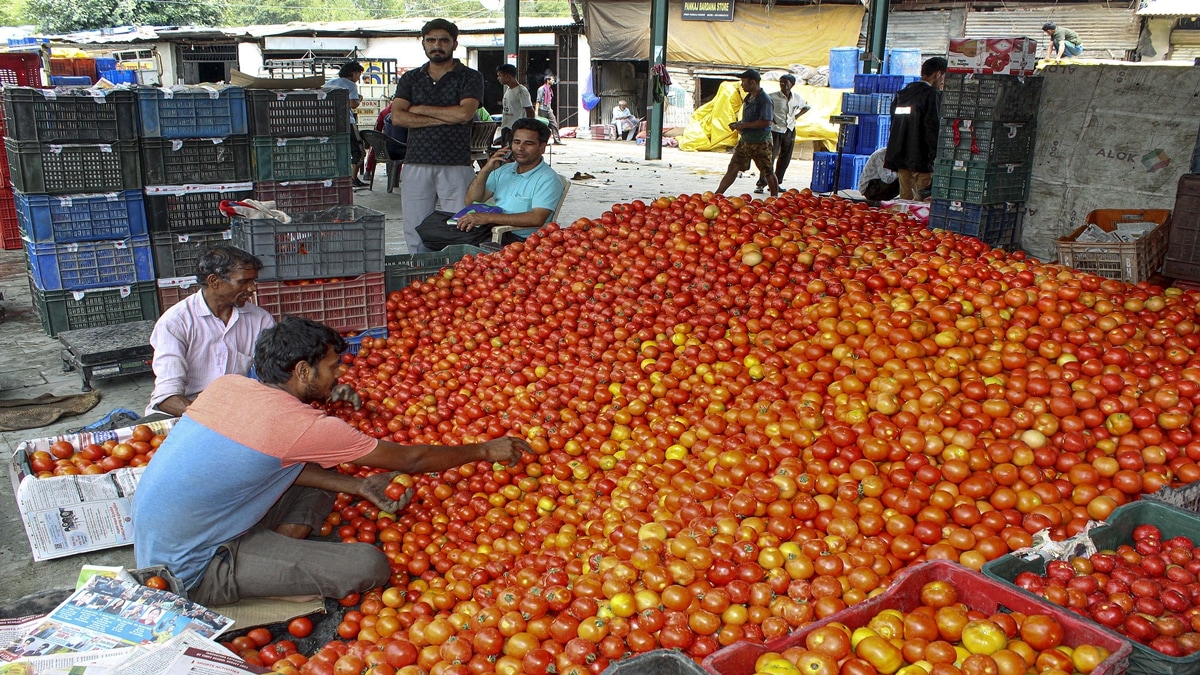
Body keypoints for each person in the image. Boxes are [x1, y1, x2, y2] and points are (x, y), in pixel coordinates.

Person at [132, 316, 530, 606]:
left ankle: (275, 554)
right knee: (369, 565)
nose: (338, 374)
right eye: (332, 367)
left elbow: (267, 463)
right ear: (303, 371)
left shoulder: (227, 386)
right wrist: (484, 449)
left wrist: (358, 486)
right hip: (192, 568)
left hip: (182, 530)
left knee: (324, 473)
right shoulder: (301, 425)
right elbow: (413, 458)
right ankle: (263, 572)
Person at [146, 246, 275, 418]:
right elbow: (166, 397)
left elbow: (274, 375)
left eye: (253, 281)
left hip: (233, 410)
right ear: (214, 281)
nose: (253, 289)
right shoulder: (175, 323)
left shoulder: (260, 320)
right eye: (244, 282)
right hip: (186, 412)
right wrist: (211, 418)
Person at [391, 19, 486, 254]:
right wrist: (447, 116)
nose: (437, 45)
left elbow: (465, 113)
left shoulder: (469, 77)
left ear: (454, 43)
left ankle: (459, 273)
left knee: (461, 224)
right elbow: (398, 118)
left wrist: (420, 108)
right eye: (431, 40)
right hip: (416, 161)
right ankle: (421, 271)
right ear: (423, 43)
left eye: (443, 40)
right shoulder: (410, 78)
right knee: (415, 225)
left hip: (456, 162)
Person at [454, 118, 564, 235]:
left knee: (443, 236)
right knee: (436, 223)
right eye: (516, 142)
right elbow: (472, 201)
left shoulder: (548, 179)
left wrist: (488, 217)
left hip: (517, 240)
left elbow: (537, 218)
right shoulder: (504, 170)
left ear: (542, 148)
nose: (520, 148)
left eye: (528, 143)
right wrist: (486, 169)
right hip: (490, 230)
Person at [883, 57, 947, 201]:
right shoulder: (932, 95)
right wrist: (936, 157)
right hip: (922, 161)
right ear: (938, 74)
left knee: (905, 202)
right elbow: (933, 128)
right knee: (921, 204)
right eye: (944, 77)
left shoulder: (902, 94)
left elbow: (894, 126)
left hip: (901, 159)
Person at [716, 69, 778, 198]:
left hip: (761, 142)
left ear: (753, 82)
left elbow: (766, 122)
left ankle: (774, 198)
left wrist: (743, 125)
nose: (742, 85)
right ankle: (717, 195)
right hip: (745, 140)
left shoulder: (764, 100)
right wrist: (738, 124)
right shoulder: (749, 97)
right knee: (733, 167)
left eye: (744, 82)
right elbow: (750, 119)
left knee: (767, 171)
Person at [755, 74, 810, 193]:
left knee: (785, 158)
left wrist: (796, 116)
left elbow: (807, 107)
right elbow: (761, 108)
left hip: (789, 129)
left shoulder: (797, 98)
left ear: (792, 84)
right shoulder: (772, 97)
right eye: (781, 82)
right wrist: (770, 118)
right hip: (775, 130)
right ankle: (761, 184)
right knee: (769, 157)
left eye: (786, 82)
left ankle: (776, 183)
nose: (783, 84)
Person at [323, 61, 368, 188]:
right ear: (353, 73)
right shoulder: (350, 85)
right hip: (346, 122)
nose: (359, 78)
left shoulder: (329, 83)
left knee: (337, 150)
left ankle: (337, 178)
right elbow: (353, 104)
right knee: (358, 150)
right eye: (359, 74)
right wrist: (359, 99)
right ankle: (353, 179)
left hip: (329, 122)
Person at [496, 64, 534, 149]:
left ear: (507, 76)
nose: (498, 78)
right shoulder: (508, 90)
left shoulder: (521, 91)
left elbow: (530, 111)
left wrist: (529, 129)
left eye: (500, 76)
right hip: (506, 126)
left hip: (516, 128)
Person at [535, 75, 563, 145]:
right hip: (542, 109)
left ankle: (557, 140)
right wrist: (536, 111)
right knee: (542, 126)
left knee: (554, 123)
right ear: (548, 81)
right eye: (552, 80)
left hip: (548, 109)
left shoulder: (549, 89)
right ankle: (541, 141)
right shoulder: (541, 89)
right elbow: (538, 101)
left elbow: (549, 100)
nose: (553, 81)